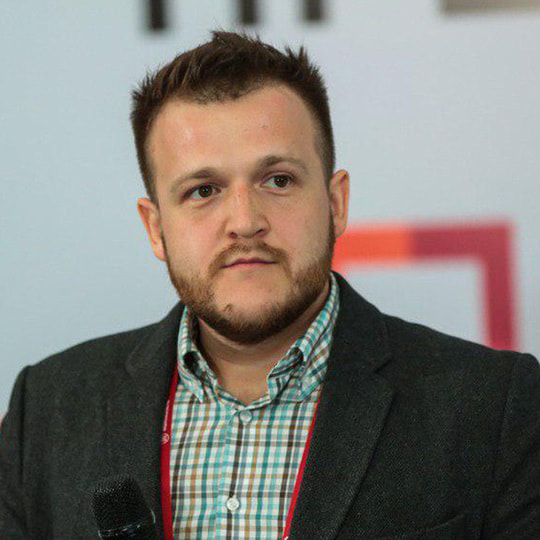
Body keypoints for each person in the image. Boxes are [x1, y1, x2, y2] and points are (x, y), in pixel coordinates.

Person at [1, 29, 539, 540]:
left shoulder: (494, 408)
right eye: (203, 190)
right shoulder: (45, 412)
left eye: (278, 180)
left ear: (335, 203)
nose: (244, 221)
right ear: (155, 227)